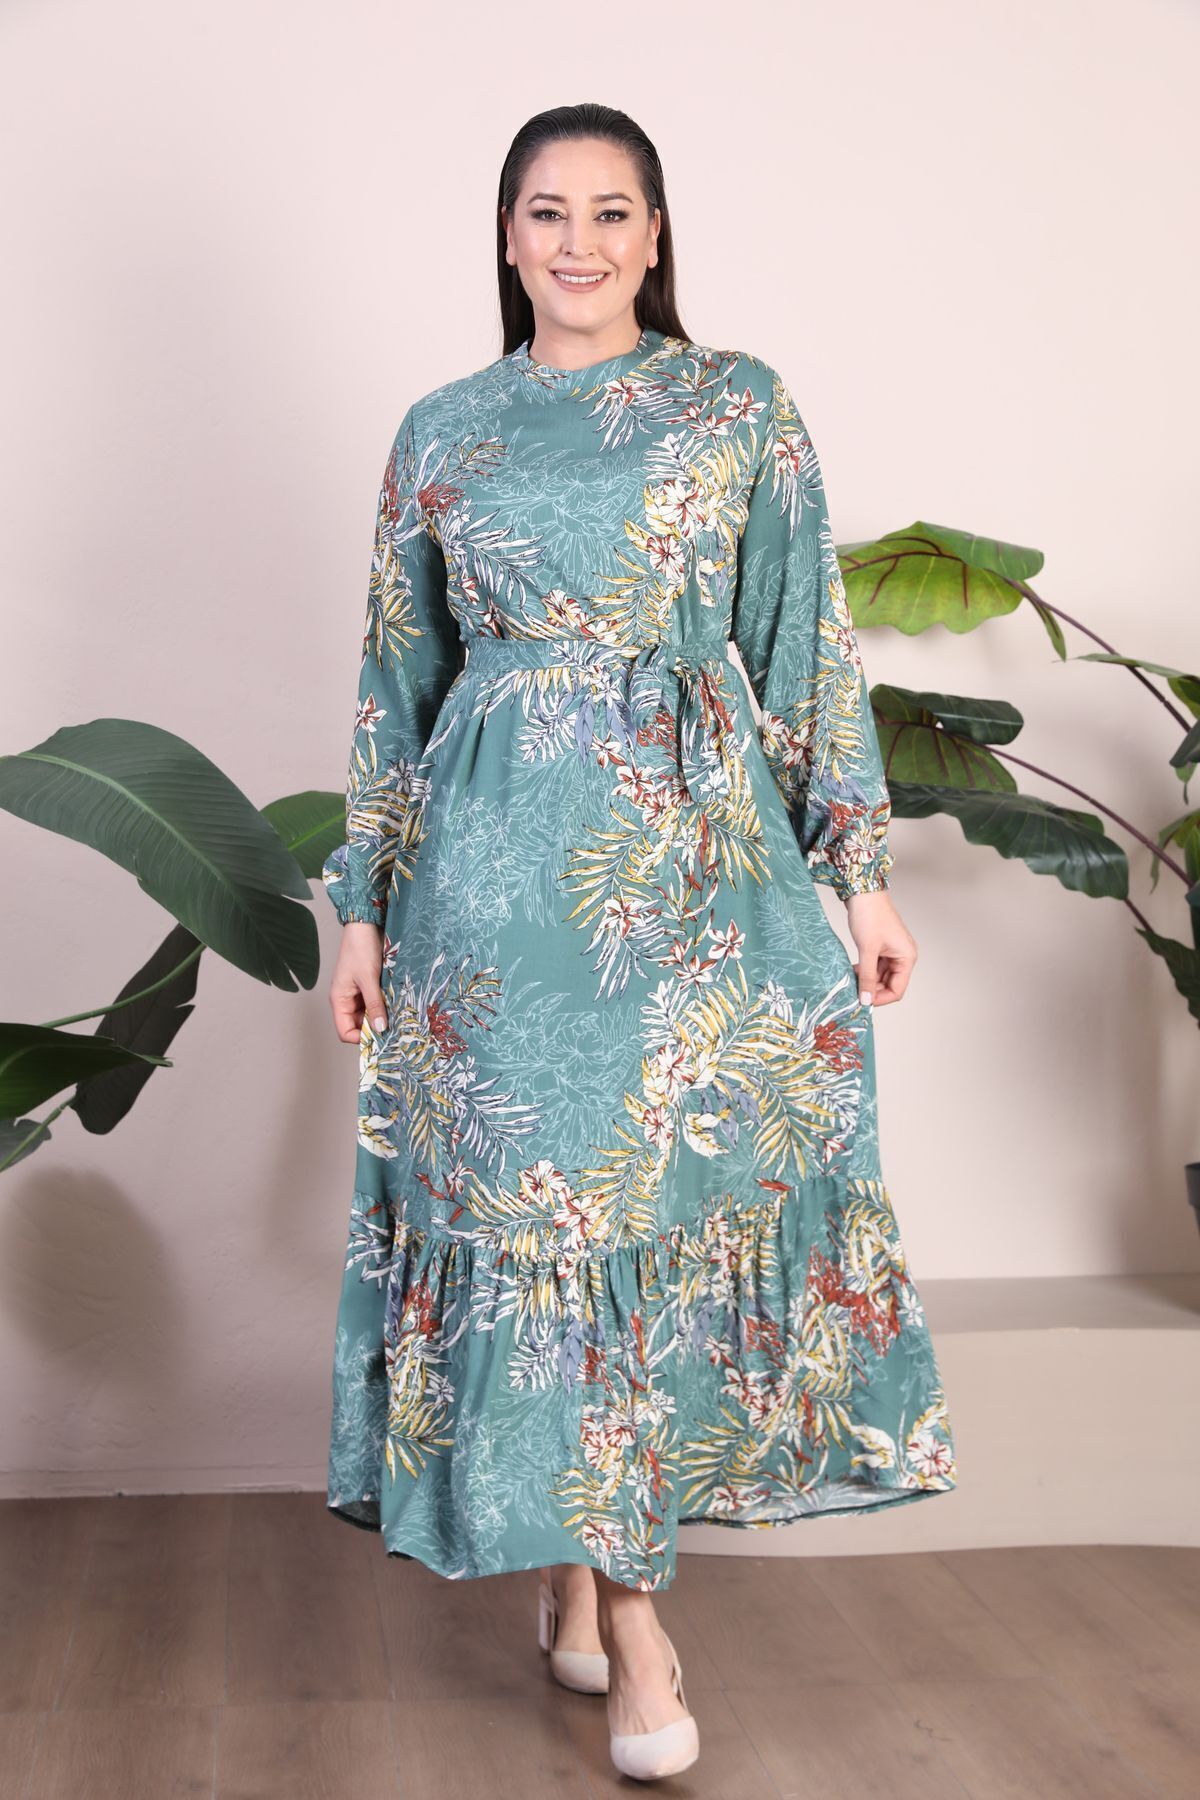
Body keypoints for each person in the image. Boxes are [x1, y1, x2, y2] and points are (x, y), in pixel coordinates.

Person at [322, 101, 958, 1783]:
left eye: (614, 211)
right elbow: (396, 679)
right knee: (551, 1223)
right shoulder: (443, 429)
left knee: (640, 1216)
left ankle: (585, 1573)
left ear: (658, 236)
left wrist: (861, 874)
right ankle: (640, 1625)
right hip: (488, 896)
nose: (581, 241)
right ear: (507, 235)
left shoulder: (737, 406)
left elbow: (802, 643)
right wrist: (361, 906)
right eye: (549, 211)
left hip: (689, 882)